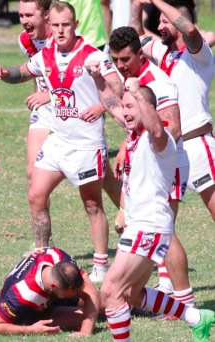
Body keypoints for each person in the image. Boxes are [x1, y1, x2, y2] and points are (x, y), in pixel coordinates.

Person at [0, 1, 123, 283]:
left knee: (91, 204)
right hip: (58, 142)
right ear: (49, 25)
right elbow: (25, 71)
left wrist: (101, 107)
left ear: (75, 26)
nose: (61, 31)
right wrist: (5, 74)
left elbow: (118, 87)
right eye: (56, 26)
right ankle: (42, 252)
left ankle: (100, 263)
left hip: (86, 144)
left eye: (66, 25)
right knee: (36, 194)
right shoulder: (46, 53)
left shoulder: (92, 55)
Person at [87, 73, 214, 341]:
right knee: (132, 294)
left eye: (132, 106)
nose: (125, 112)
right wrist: (97, 78)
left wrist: (138, 94)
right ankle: (195, 317)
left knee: (110, 293)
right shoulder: (135, 137)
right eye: (126, 107)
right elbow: (112, 104)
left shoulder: (161, 139)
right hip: (142, 225)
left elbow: (156, 128)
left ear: (148, 108)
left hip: (150, 225)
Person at [131, 0, 214, 308]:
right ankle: (173, 290)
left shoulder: (199, 53)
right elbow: (136, 38)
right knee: (163, 222)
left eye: (165, 21)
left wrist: (156, 1)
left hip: (199, 145)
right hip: (171, 150)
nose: (161, 27)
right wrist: (137, 6)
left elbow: (190, 30)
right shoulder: (164, 54)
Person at [106, 25, 196, 313]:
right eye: (116, 59)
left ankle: (185, 302)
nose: (120, 66)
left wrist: (143, 146)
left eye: (125, 60)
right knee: (147, 227)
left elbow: (174, 129)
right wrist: (127, 145)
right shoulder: (133, 77)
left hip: (166, 165)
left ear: (140, 54)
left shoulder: (158, 83)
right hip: (148, 162)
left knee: (163, 231)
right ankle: (157, 294)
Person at [0, 247, 100, 336]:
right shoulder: (22, 293)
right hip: (32, 312)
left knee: (101, 303)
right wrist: (31, 330)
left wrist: (85, 332)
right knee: (81, 318)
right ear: (54, 286)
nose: (77, 294)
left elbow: (91, 292)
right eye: (70, 294)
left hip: (51, 295)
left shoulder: (57, 256)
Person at [17, 0, 52, 192]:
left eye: (29, 15)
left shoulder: (64, 38)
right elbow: (35, 71)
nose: (24, 20)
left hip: (72, 109)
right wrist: (37, 95)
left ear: (46, 14)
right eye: (21, 15)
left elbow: (79, 81)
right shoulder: (25, 40)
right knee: (32, 172)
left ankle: (125, 212)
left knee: (100, 181)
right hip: (45, 111)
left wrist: (50, 94)